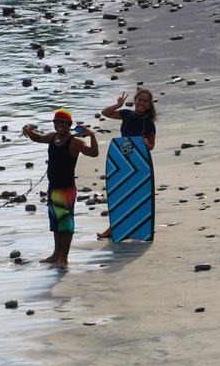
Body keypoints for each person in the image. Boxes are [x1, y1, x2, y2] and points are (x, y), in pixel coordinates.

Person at [21, 108, 99, 269]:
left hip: (66, 189)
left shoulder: (75, 142)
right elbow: (38, 137)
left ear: (69, 125)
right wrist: (28, 129)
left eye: (63, 123)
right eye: (56, 122)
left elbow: (94, 153)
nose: (59, 125)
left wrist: (91, 135)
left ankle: (64, 258)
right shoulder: (52, 137)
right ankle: (56, 254)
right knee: (56, 223)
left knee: (66, 224)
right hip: (53, 188)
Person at [97, 88, 157, 241]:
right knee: (120, 194)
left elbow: (151, 146)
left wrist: (145, 143)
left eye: (145, 101)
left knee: (138, 194)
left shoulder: (149, 123)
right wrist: (118, 105)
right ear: (135, 100)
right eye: (140, 100)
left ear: (149, 105)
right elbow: (105, 113)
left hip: (139, 162)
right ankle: (115, 227)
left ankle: (139, 227)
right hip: (122, 160)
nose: (141, 103)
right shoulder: (126, 114)